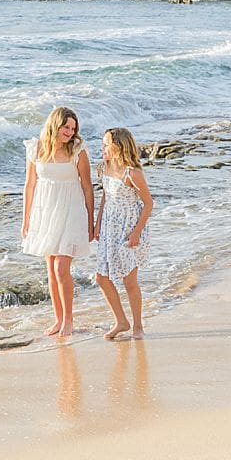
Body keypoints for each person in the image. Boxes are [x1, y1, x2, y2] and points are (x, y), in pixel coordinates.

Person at [21, 106, 95, 338]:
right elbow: (30, 185)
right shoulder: (36, 148)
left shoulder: (78, 150)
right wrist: (26, 219)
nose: (70, 133)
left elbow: (87, 186)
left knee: (61, 268)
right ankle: (59, 319)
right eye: (66, 127)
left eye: (73, 129)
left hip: (72, 211)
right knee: (51, 270)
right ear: (55, 125)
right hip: (45, 213)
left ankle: (69, 321)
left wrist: (91, 220)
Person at [94, 127, 153, 340]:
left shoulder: (133, 173)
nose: (103, 148)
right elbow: (104, 198)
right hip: (109, 228)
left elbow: (148, 204)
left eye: (106, 144)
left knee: (129, 281)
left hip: (129, 228)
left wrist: (136, 233)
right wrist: (97, 223)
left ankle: (138, 326)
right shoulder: (104, 167)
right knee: (101, 278)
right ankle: (121, 321)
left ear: (119, 146)